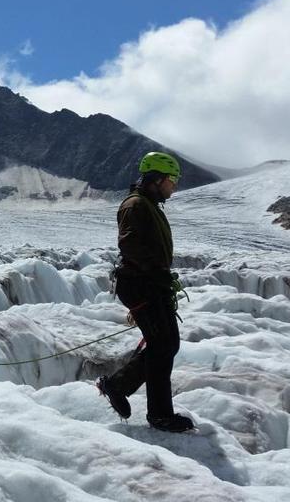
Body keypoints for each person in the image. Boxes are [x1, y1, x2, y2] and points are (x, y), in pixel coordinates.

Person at [97, 152, 195, 433]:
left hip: (149, 283)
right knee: (163, 346)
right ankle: (160, 415)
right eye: (172, 180)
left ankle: (117, 385)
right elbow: (131, 246)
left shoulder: (147, 204)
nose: (174, 186)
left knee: (165, 345)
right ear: (158, 179)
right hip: (142, 284)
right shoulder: (137, 205)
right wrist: (156, 275)